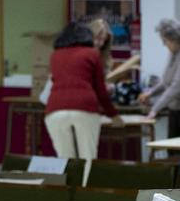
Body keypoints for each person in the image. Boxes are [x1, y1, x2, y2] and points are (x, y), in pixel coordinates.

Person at [44, 21, 123, 159]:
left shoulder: (55, 56)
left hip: (55, 111)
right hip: (84, 108)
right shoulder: (92, 54)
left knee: (65, 159)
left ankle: (68, 181)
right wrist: (113, 115)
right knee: (88, 158)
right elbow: (100, 90)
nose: (99, 43)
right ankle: (86, 181)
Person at [137, 18, 180, 138]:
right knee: (172, 153)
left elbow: (176, 87)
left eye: (165, 41)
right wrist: (150, 93)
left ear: (175, 39)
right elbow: (166, 80)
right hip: (176, 109)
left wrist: (155, 109)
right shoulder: (175, 53)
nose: (164, 44)